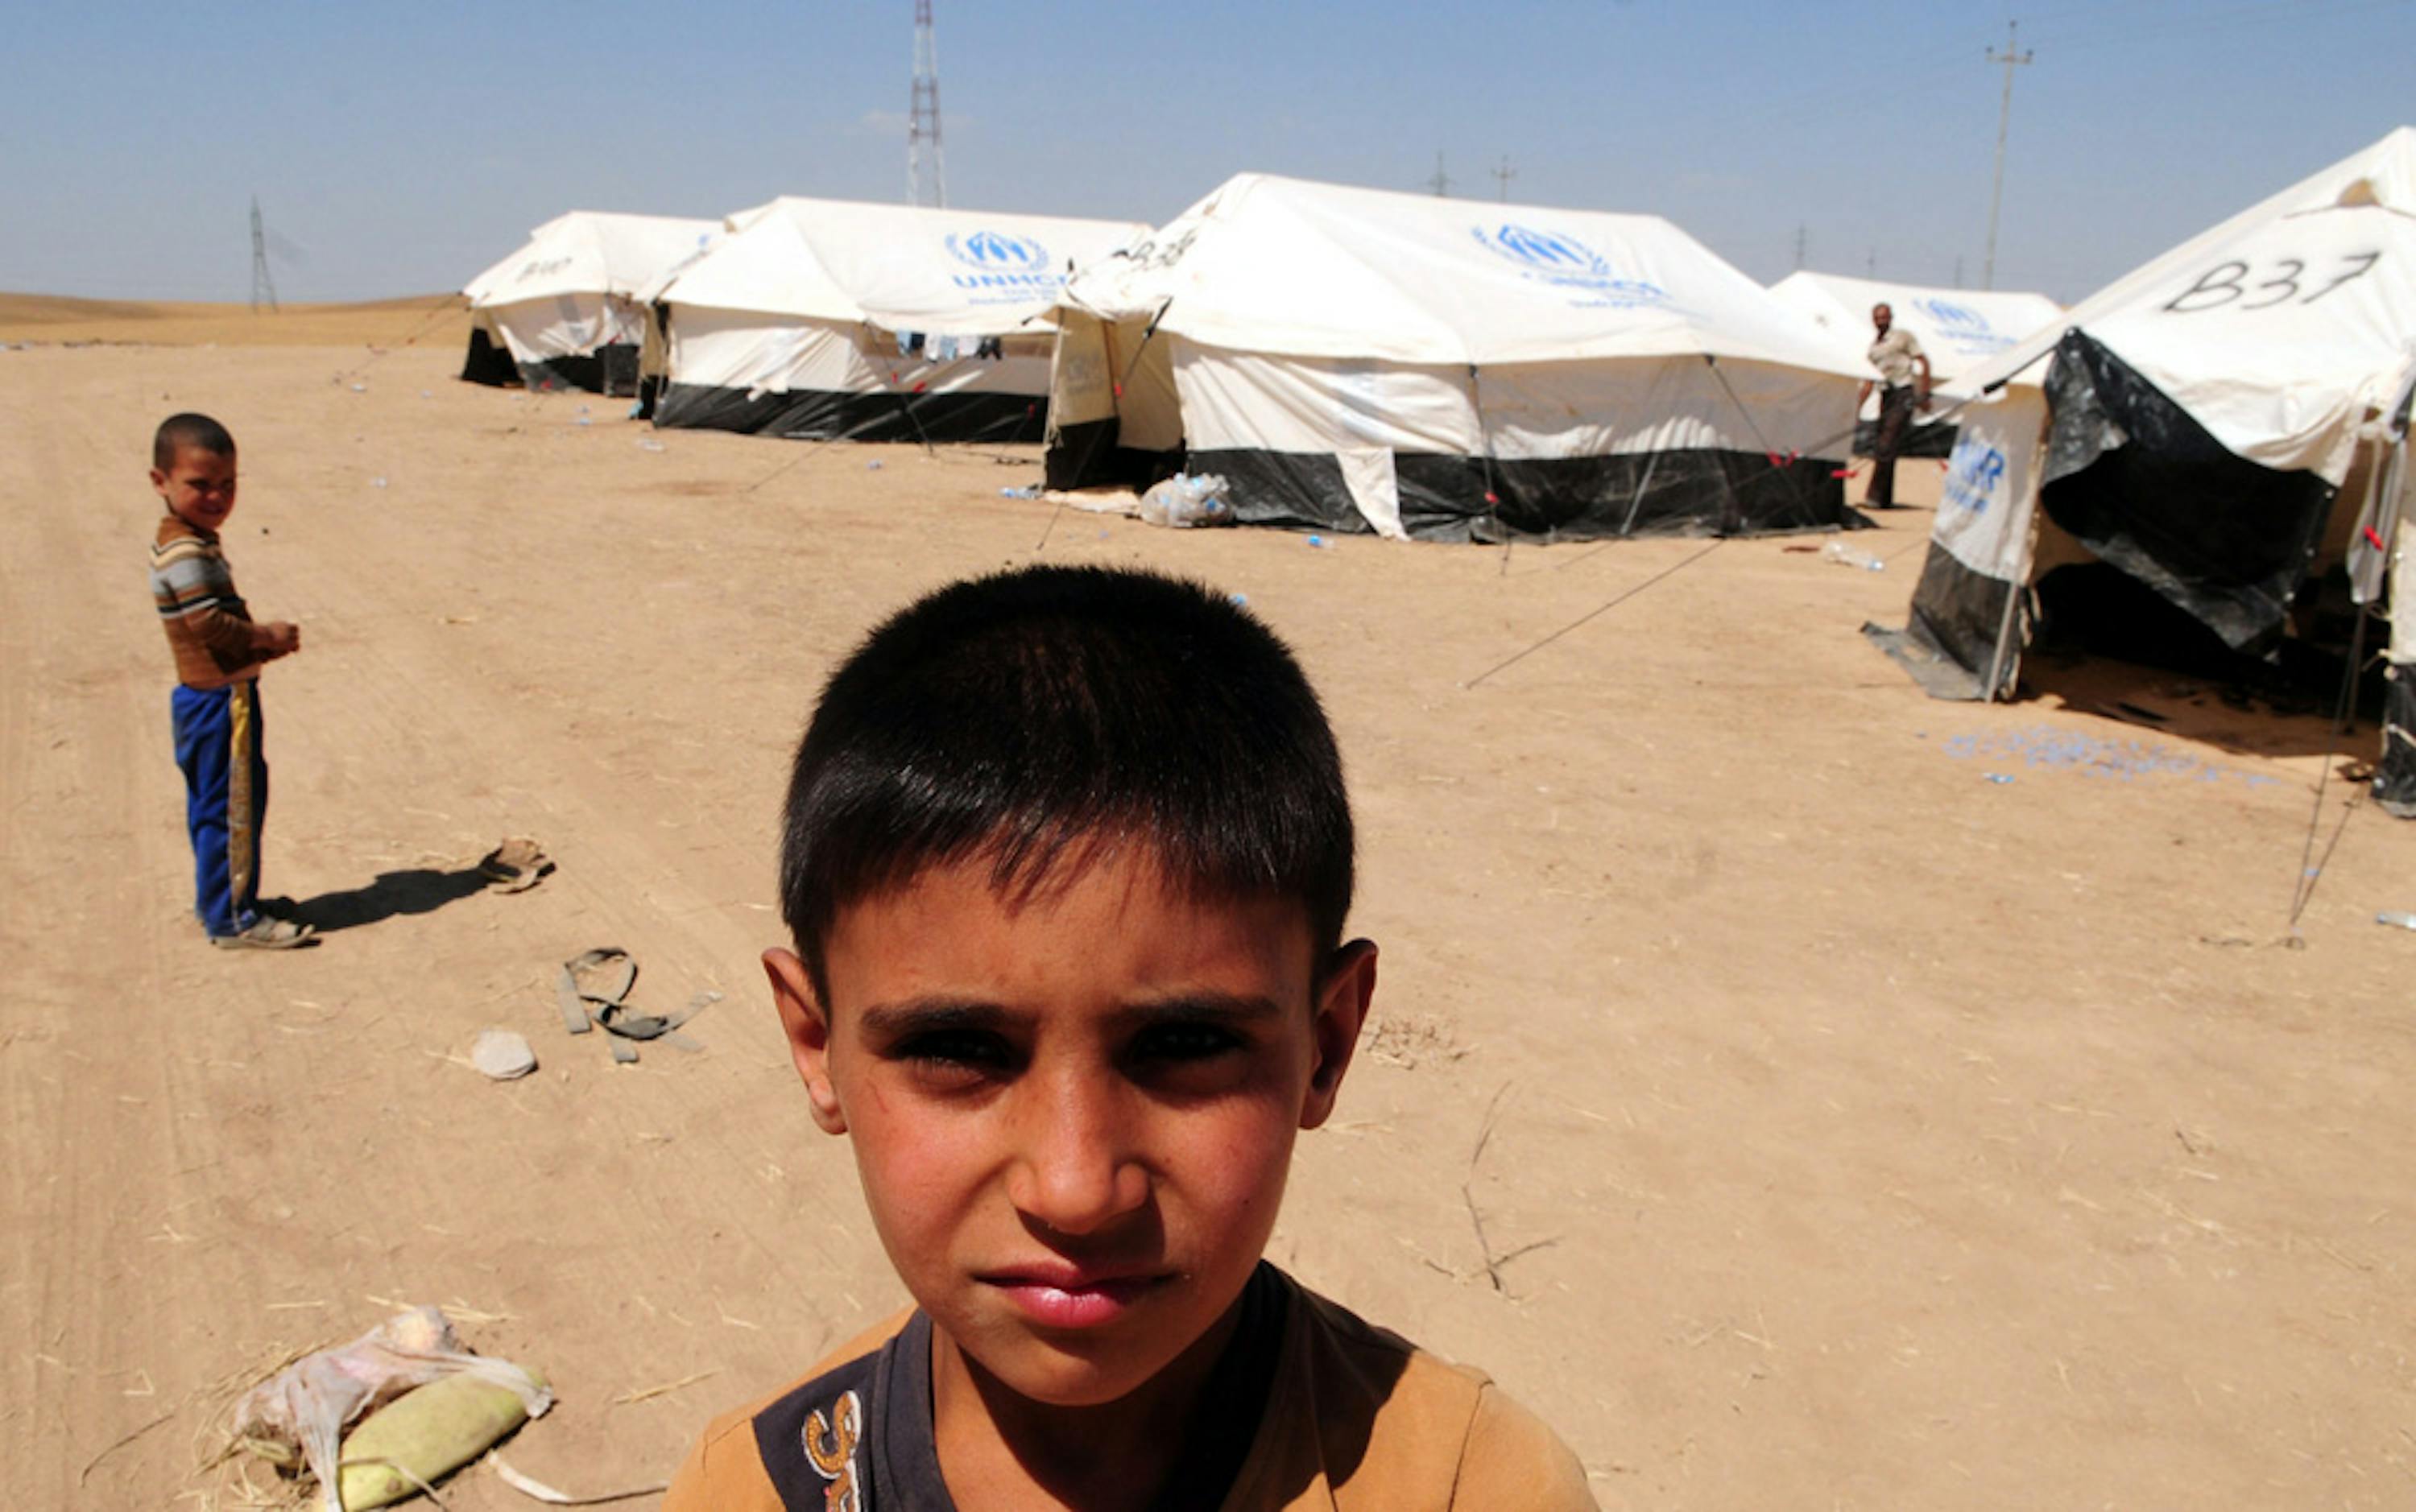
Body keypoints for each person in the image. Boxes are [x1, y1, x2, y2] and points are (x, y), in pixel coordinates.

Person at [666, 566, 1593, 1510]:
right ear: (818, 1047)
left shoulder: (1469, 1485)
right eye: (957, 1049)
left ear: (1327, 1042)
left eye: (1184, 1043)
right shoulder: (753, 1489)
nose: (1074, 1192)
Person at [147, 413, 313, 949]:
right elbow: (209, 626)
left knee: (225, 804)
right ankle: (232, 920)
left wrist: (264, 646)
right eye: (199, 484)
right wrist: (266, 636)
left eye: (228, 484)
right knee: (230, 809)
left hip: (218, 698)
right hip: (220, 704)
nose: (217, 497)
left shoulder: (193, 539)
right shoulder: (186, 551)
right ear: (161, 482)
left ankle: (230, 900)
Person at [1855, 302, 1931, 510]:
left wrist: (1924, 394)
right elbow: (1869, 381)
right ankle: (1884, 498)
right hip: (1885, 394)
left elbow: (1923, 361)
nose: (1881, 321)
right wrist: (1858, 407)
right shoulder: (1874, 348)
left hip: (1903, 392)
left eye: (1884, 317)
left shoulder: (1903, 337)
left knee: (1886, 444)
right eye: (1878, 318)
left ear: (1891, 318)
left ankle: (1875, 495)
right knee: (1885, 444)